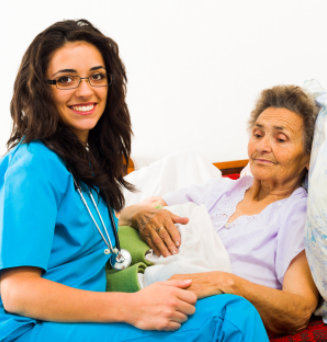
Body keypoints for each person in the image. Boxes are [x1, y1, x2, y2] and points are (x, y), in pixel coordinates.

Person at [0, 19, 269, 341]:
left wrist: (133, 213)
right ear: (39, 89)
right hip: (31, 328)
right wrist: (133, 307)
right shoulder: (34, 165)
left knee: (225, 308)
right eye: (65, 79)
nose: (85, 90)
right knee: (230, 317)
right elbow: (17, 292)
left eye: (96, 76)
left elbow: (73, 226)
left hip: (75, 320)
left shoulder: (80, 157)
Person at [119, 84, 320, 335]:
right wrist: (138, 214)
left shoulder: (297, 213)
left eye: (280, 139)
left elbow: (299, 310)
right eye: (258, 135)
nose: (263, 147)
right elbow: (124, 217)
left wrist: (226, 283)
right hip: (150, 294)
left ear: (309, 158)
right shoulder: (221, 190)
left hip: (210, 319)